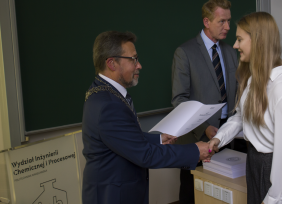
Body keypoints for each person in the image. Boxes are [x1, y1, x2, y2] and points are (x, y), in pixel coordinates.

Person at [82, 31, 216, 204]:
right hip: (114, 196)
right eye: (133, 59)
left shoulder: (103, 92)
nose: (139, 66)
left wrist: (158, 139)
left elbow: (122, 137)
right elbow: (145, 155)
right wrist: (195, 151)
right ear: (111, 63)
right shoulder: (109, 104)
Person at [207, 12, 282, 204]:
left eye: (239, 39)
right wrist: (219, 138)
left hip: (278, 168)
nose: (235, 45)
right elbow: (240, 117)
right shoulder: (255, 78)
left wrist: (273, 199)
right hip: (255, 161)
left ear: (258, 41)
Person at [172, 0, 245, 203]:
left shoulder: (231, 51)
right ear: (206, 22)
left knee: (226, 190)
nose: (228, 27)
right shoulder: (185, 53)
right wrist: (204, 128)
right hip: (197, 135)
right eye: (222, 21)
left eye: (229, 21)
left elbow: (238, 91)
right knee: (192, 191)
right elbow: (179, 100)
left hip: (230, 132)